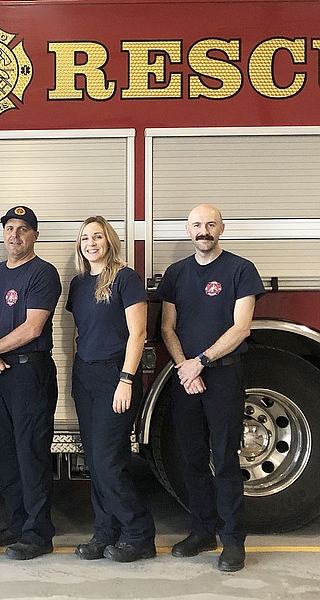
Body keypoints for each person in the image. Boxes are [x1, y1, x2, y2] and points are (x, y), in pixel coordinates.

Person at [155, 204, 264, 572]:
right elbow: (167, 327)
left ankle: (233, 541)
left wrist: (200, 362)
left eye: (211, 224)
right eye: (197, 225)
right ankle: (202, 531)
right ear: (188, 231)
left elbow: (241, 328)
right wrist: (185, 368)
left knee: (226, 460)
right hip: (186, 377)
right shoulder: (176, 274)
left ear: (222, 228)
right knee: (192, 458)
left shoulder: (240, 270)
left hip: (222, 377)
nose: (204, 231)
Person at [66, 216, 156, 563]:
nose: (91, 243)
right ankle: (105, 533)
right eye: (85, 237)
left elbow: (138, 334)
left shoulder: (125, 279)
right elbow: (79, 332)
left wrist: (126, 380)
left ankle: (139, 534)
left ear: (109, 240)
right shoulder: (78, 284)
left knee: (108, 461)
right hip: (85, 378)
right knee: (93, 461)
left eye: (97, 236)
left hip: (114, 378)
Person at [0, 205, 61, 560]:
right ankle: (16, 522)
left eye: (23, 229)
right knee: (6, 453)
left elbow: (33, 327)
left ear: (35, 235)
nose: (15, 235)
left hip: (30, 373)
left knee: (31, 453)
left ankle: (39, 533)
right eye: (10, 228)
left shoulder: (43, 273)